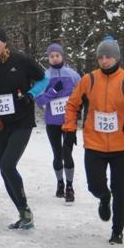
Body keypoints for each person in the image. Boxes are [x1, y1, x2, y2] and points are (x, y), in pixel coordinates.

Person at [62, 37, 124, 244]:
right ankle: (104, 197)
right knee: (94, 186)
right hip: (94, 144)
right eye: (101, 57)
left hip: (121, 146)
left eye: (108, 57)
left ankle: (117, 231)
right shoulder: (89, 80)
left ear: (117, 58)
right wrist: (69, 128)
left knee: (120, 189)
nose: (104, 61)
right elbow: (72, 105)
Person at [0, 27, 48, 230]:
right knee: (4, 170)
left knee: (7, 165)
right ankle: (23, 213)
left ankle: (26, 212)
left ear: (4, 44)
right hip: (0, 124)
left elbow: (44, 79)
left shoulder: (21, 61)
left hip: (22, 122)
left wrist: (31, 94)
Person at [35, 43, 81, 202]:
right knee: (57, 154)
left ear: (62, 56)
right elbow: (39, 100)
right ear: (48, 58)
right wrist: (53, 91)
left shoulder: (73, 75)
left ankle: (70, 187)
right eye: (51, 56)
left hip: (69, 122)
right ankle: (60, 183)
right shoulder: (45, 76)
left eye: (57, 55)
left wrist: (77, 106)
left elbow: (82, 94)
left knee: (68, 154)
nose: (54, 58)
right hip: (52, 122)